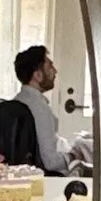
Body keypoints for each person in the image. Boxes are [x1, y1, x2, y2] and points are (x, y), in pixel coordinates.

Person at [12, 45, 71, 174]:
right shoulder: (40, 109)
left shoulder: (18, 101)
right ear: (37, 75)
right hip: (48, 179)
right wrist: (73, 156)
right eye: (50, 66)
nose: (55, 71)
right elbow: (51, 162)